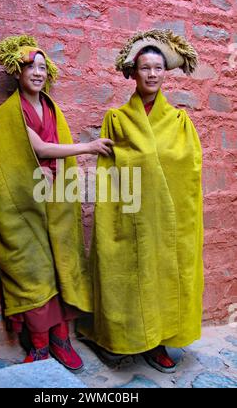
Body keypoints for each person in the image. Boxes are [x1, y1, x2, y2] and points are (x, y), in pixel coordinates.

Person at [77, 29, 204, 373]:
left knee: (163, 278)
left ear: (165, 73)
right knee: (127, 277)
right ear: (133, 73)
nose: (151, 74)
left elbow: (189, 172)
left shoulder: (180, 122)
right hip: (129, 216)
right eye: (144, 68)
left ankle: (159, 342)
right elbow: (107, 176)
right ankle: (119, 339)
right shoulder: (116, 120)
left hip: (166, 220)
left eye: (157, 68)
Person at [0, 35, 113, 371]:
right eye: (31, 66)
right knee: (33, 271)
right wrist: (88, 147)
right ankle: (40, 346)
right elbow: (37, 150)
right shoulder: (8, 114)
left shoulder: (52, 110)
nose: (38, 72)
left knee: (61, 267)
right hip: (24, 208)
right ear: (18, 71)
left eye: (43, 67)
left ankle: (61, 340)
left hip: (56, 204)